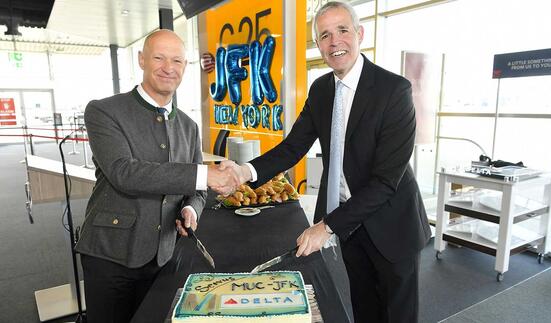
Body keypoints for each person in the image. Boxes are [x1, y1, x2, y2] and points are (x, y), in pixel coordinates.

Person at [222, 2, 431, 322]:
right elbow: (293, 147)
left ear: (359, 34)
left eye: (343, 31)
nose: (335, 42)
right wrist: (244, 171)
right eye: (324, 35)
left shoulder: (394, 90)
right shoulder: (321, 89)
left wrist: (326, 226)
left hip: (392, 226)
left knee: (397, 314)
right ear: (318, 45)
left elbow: (385, 182)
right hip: (350, 225)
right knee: (363, 307)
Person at [75, 29, 239, 322]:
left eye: (176, 60)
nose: (168, 67)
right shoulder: (104, 111)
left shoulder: (189, 126)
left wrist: (191, 208)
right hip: (111, 255)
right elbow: (124, 172)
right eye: (159, 57)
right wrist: (205, 176)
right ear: (141, 60)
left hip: (164, 256)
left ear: (185, 67)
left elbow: (197, 192)